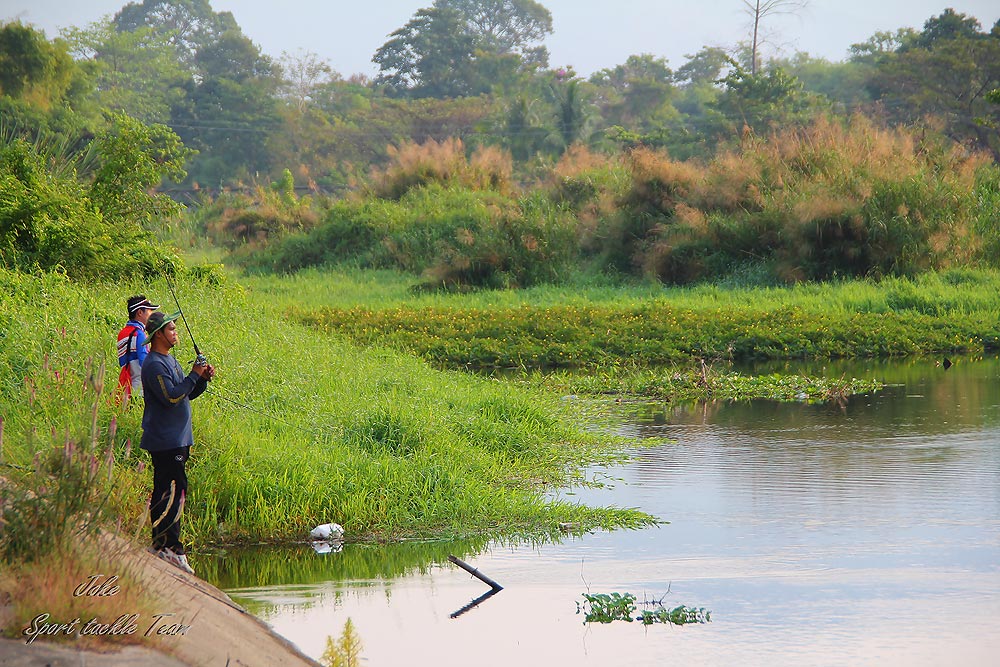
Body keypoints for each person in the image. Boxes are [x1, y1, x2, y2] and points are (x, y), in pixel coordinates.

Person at [140, 310, 216, 575]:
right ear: (158, 334)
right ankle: (173, 549)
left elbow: (185, 394)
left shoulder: (169, 360)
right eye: (171, 329)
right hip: (166, 440)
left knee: (166, 488)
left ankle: (161, 544)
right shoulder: (154, 365)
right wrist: (193, 375)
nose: (176, 334)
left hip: (178, 438)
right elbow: (171, 397)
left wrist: (201, 380)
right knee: (174, 489)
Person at [116, 295, 159, 403]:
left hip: (128, 387)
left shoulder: (123, 333)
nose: (151, 315)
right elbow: (144, 361)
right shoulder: (139, 334)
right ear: (140, 312)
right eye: (149, 311)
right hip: (141, 389)